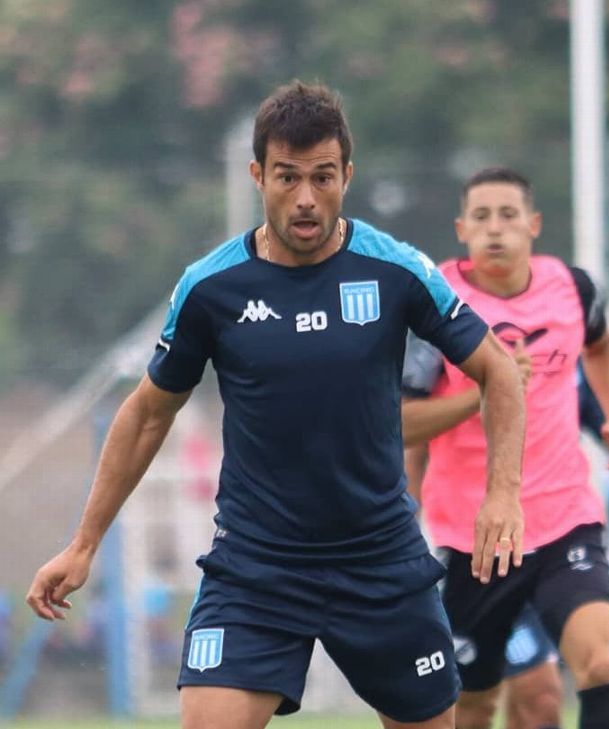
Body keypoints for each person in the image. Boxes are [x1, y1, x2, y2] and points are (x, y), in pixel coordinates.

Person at [24, 81, 526, 729]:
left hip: (380, 561)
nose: (306, 197)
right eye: (287, 177)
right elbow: (149, 411)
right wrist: (83, 543)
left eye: (323, 176)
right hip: (256, 568)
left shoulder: (396, 269)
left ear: (348, 173)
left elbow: (499, 370)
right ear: (258, 174)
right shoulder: (211, 287)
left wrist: (503, 493)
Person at [401, 166, 609, 729]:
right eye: (481, 217)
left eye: (508, 215)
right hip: (472, 538)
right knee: (474, 704)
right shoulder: (438, 306)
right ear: (461, 229)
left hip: (565, 522)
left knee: (598, 665)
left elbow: (602, 350)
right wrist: (489, 388)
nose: (495, 230)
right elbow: (400, 423)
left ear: (533, 225)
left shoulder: (572, 290)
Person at [402, 358, 609, 729]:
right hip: (477, 552)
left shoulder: (563, 348)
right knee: (472, 707)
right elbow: (410, 440)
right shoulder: (450, 332)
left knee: (545, 694)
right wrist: (404, 534)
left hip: (559, 541)